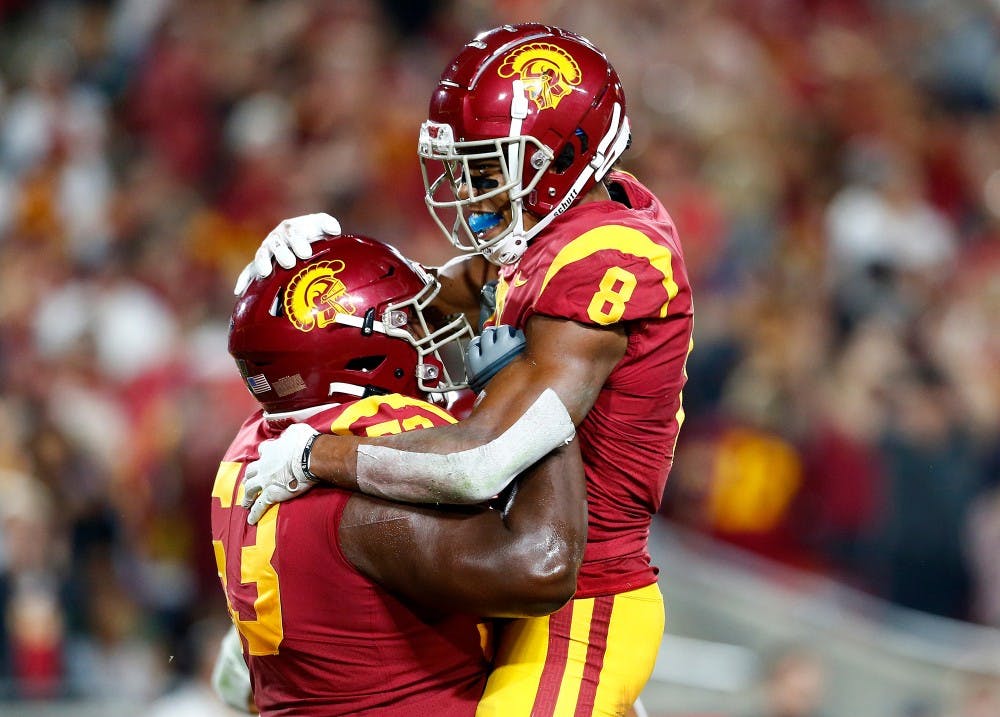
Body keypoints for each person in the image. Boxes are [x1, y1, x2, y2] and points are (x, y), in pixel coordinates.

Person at [236, 23, 693, 716]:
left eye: (488, 168)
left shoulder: (601, 262)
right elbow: (424, 300)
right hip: (503, 568)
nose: (469, 191)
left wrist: (319, 453)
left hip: (578, 599)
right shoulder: (553, 220)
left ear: (566, 154)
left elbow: (487, 457)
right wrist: (315, 273)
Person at [212, 234, 588, 715]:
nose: (425, 332)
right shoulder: (346, 493)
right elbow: (542, 569)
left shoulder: (251, 446)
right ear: (356, 354)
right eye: (407, 319)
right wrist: (536, 394)